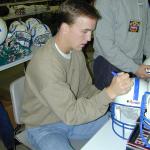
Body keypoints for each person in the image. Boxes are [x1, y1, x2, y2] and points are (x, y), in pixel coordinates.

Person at [20, 0, 133, 150]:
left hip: (70, 118)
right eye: (85, 31)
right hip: (44, 126)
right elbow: (71, 113)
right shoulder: (45, 64)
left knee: (117, 125)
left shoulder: (76, 52)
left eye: (91, 31)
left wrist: (115, 98)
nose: (89, 38)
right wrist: (109, 93)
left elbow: (85, 89)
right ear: (65, 28)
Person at [93, 0, 150, 90]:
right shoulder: (105, 2)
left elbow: (147, 33)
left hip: (136, 66)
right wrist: (135, 68)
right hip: (109, 65)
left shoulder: (143, 1)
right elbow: (104, 43)